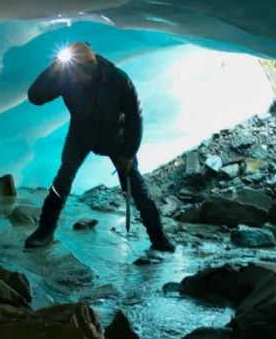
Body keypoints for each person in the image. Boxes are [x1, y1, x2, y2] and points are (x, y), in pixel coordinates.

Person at [24, 41, 175, 251]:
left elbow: (135, 116)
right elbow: (35, 97)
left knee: (136, 187)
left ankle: (159, 238)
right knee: (62, 181)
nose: (74, 79)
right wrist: (53, 70)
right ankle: (44, 232)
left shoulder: (118, 79)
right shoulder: (65, 77)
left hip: (116, 138)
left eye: (78, 74)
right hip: (81, 135)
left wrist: (129, 152)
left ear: (90, 68)